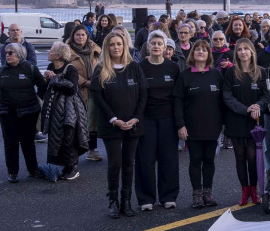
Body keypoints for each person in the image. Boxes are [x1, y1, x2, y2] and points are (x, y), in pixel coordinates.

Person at [92, 29, 147, 218]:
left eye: (119, 44)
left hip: (133, 123)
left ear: (124, 46)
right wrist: (115, 119)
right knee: (115, 163)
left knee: (129, 163)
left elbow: (143, 95)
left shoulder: (134, 67)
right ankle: (113, 201)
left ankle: (126, 200)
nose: (116, 47)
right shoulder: (101, 69)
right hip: (111, 125)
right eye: (112, 44)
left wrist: (135, 118)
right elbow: (97, 97)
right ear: (107, 47)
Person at [134, 30, 184, 211]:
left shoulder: (173, 67)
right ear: (148, 46)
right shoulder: (139, 67)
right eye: (153, 43)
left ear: (165, 47)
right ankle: (146, 198)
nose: (156, 46)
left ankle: (168, 196)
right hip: (146, 119)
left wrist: (180, 122)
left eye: (160, 44)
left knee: (168, 159)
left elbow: (179, 96)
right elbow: (136, 96)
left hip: (168, 120)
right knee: (145, 160)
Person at [0, 42, 46, 183]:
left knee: (28, 143)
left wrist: (37, 101)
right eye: (6, 53)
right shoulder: (2, 71)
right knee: (10, 143)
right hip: (7, 113)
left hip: (28, 112)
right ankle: (12, 173)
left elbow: (42, 86)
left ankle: (33, 169)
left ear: (19, 55)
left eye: (10, 53)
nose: (7, 55)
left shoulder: (30, 69)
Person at [223, 38, 270, 205]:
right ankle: (244, 191)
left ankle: (254, 189)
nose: (243, 52)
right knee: (240, 156)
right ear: (236, 53)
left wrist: (258, 105)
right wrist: (245, 109)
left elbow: (267, 96)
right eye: (240, 49)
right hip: (236, 120)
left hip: (255, 121)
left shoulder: (262, 72)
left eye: (246, 49)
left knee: (253, 157)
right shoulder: (230, 73)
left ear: (252, 52)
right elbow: (227, 97)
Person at [180, 39, 223, 208]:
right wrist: (180, 125)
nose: (200, 52)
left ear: (208, 54)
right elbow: (178, 102)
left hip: (213, 125)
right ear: (192, 53)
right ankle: (196, 194)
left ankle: (208, 193)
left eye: (204, 50)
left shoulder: (216, 75)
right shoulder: (185, 76)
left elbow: (222, 101)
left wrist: (224, 123)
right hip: (192, 126)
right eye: (197, 49)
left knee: (209, 159)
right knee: (196, 159)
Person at [40, 41, 90, 181]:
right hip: (54, 108)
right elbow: (45, 88)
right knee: (58, 137)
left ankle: (73, 167)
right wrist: (46, 79)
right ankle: (65, 166)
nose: (48, 52)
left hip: (70, 109)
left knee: (70, 137)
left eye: (51, 50)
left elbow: (73, 88)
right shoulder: (51, 66)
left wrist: (54, 78)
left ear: (58, 55)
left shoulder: (70, 68)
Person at [66, 25, 102, 162]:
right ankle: (73, 152)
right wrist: (83, 82)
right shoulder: (67, 51)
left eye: (83, 35)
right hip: (76, 90)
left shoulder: (95, 50)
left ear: (87, 36)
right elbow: (66, 69)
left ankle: (92, 150)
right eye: (77, 35)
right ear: (72, 36)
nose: (80, 37)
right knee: (75, 122)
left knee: (91, 121)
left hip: (93, 90)